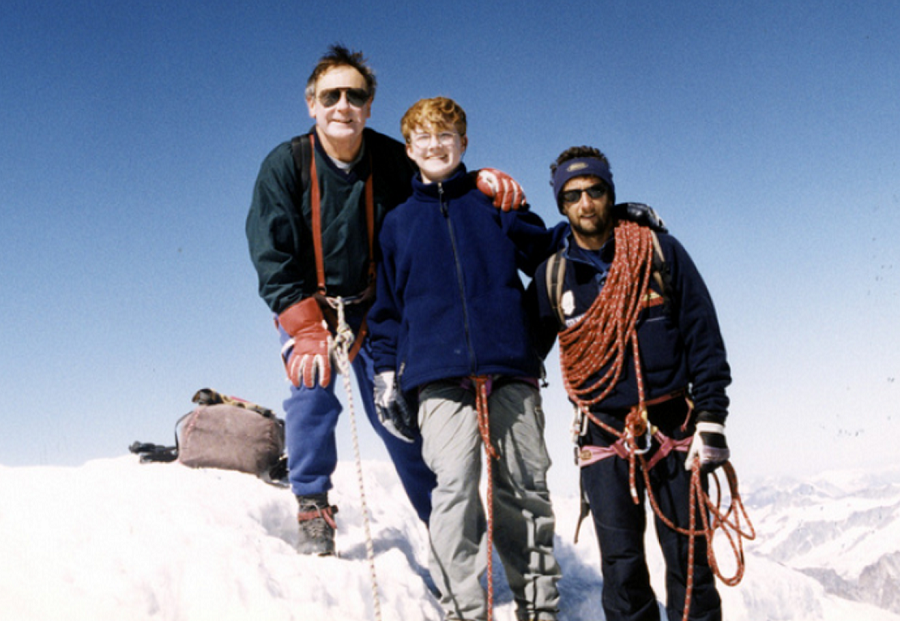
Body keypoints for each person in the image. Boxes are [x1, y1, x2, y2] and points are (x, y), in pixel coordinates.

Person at [245, 45, 527, 556]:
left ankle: (450, 533)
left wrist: (481, 180)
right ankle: (313, 504)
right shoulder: (286, 165)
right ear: (311, 104)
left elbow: (437, 183)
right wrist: (303, 324)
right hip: (310, 307)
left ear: (369, 106)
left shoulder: (392, 160)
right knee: (311, 389)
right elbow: (271, 251)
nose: (343, 105)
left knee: (398, 414)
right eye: (331, 96)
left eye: (355, 96)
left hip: (374, 308)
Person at [369, 96, 564, 621]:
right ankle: (463, 611)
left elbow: (548, 253)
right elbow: (386, 311)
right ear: (409, 149)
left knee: (523, 488)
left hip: (510, 369)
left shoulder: (494, 205)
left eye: (446, 135)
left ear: (464, 143)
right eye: (424, 137)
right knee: (453, 489)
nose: (435, 145)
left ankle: (539, 608)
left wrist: (607, 222)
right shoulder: (397, 224)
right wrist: (385, 373)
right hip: (437, 376)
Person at [530, 146, 732, 621]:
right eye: (573, 195)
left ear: (610, 193)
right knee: (621, 569)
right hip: (603, 434)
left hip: (674, 427)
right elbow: (520, 349)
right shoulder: (553, 277)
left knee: (691, 559)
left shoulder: (659, 253)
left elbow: (703, 335)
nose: (585, 203)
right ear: (561, 205)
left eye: (595, 190)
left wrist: (711, 418)